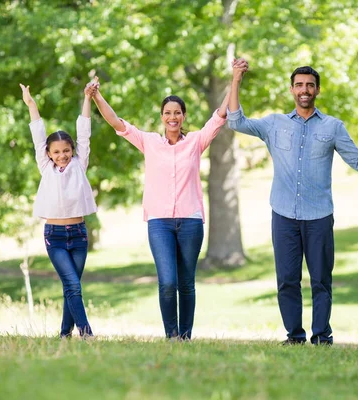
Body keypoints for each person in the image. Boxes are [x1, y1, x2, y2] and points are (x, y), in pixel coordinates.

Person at [227, 60, 358, 345]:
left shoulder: (333, 127)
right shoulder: (274, 124)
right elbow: (235, 120)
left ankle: (321, 337)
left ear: (317, 90)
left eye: (310, 85)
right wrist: (236, 79)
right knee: (287, 280)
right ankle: (294, 336)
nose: (304, 90)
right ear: (292, 89)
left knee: (320, 280)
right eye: (299, 85)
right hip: (283, 215)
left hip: (319, 216)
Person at [86, 62, 245, 340]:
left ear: (184, 116)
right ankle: (171, 335)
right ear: (162, 117)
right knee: (167, 282)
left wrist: (235, 78)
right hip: (159, 222)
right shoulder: (148, 142)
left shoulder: (196, 141)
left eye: (177, 113)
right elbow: (116, 122)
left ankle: (185, 336)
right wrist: (97, 97)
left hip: (191, 221)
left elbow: (220, 115)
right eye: (168, 113)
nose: (173, 117)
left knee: (187, 283)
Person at [20, 79, 98, 339]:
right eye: (57, 152)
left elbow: (84, 132)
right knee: (73, 285)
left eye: (66, 150)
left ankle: (64, 333)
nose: (62, 155)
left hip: (78, 234)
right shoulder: (45, 167)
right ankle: (86, 333)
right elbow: (37, 134)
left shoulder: (79, 164)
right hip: (54, 235)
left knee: (71, 286)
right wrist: (31, 105)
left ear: (72, 151)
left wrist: (87, 98)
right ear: (49, 154)